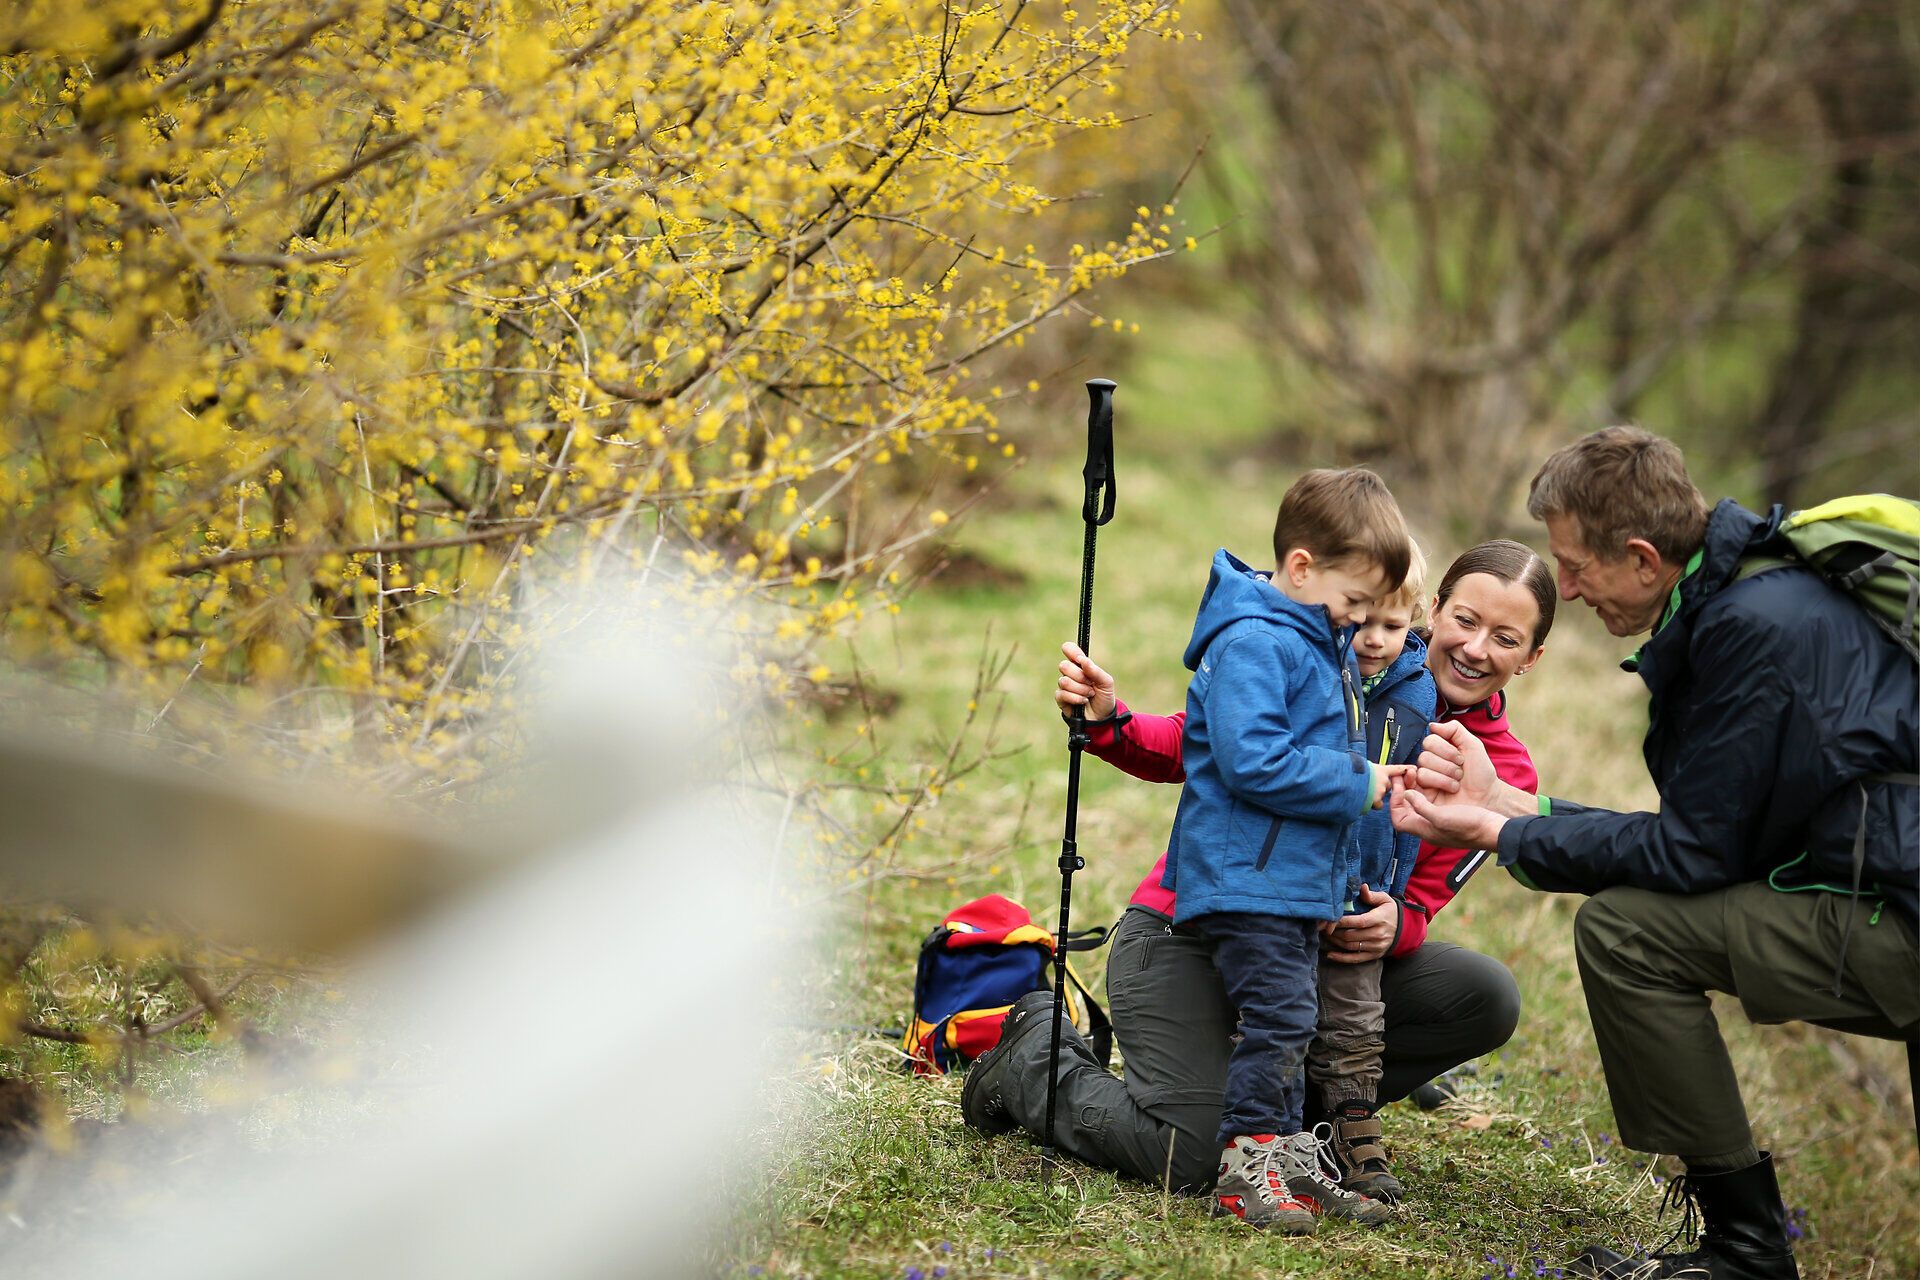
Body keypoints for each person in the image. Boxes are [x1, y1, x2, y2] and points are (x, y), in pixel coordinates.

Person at [1391, 427, 1919, 1280]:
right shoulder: (1763, 591)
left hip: (1897, 911)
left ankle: (1746, 1249)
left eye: (1574, 566)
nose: (1564, 587)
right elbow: (1728, 837)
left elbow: (1696, 857)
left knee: (1627, 933)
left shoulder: (1751, 631)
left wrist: (1500, 830)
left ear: (1641, 557)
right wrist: (1514, 807)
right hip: (1891, 883)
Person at [962, 538, 1556, 1207]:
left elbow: (1420, 900)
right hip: (1188, 928)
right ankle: (1035, 1058)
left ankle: (1307, 1123)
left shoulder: (1506, 776)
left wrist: (1397, 925)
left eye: (1505, 638)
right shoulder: (1335, 661)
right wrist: (1111, 722)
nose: (1476, 649)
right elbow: (1209, 744)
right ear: (1433, 610)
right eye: (1466, 621)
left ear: (1531, 657)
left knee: (1484, 993)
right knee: (1192, 1159)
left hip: (1324, 960)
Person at [1127, 467, 1412, 1231]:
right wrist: (1361, 781)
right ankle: (1246, 1165)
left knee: (1294, 1021)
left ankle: (1289, 1160)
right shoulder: (1256, 641)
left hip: (1286, 882)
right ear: (1301, 567)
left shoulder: (1316, 640)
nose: (1358, 621)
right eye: (1354, 601)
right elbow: (1253, 760)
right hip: (1247, 879)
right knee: (1279, 1019)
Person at [1306, 543, 1436, 1205]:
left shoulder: (1420, 693)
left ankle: (1353, 1121)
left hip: (1363, 888)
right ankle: (1275, 1132)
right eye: (1363, 622)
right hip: (1297, 884)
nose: (1376, 640)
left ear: (1416, 619)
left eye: (1394, 625)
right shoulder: (1307, 669)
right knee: (1277, 1005)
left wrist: (1394, 893)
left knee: (1358, 1015)